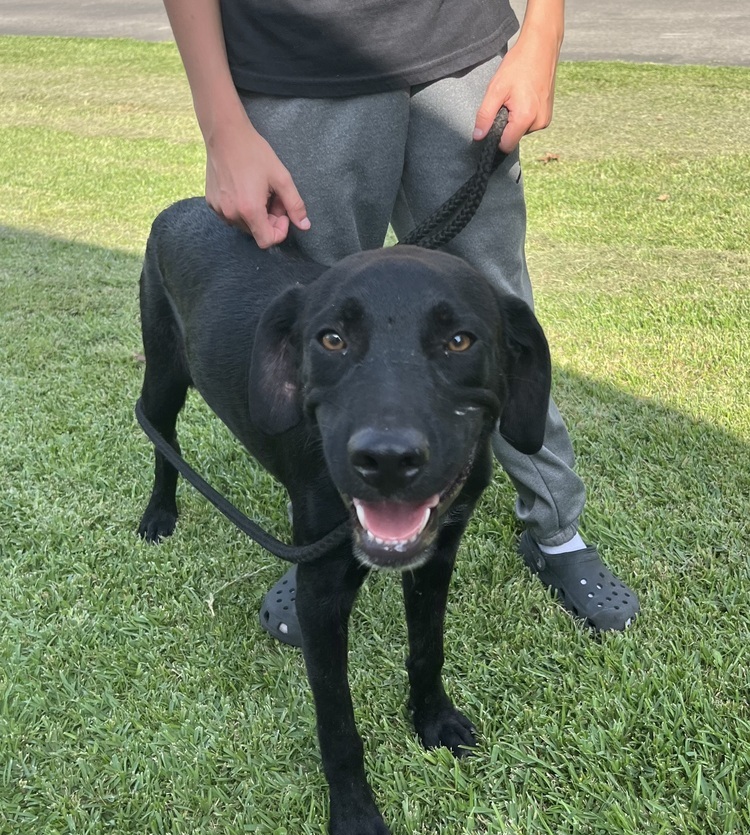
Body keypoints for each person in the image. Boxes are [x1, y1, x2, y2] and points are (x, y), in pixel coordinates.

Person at [162, 0, 640, 643]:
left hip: (459, 47)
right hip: (293, 62)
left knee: (493, 307)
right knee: (328, 329)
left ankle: (557, 530)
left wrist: (543, 31)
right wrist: (222, 125)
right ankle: (329, 533)